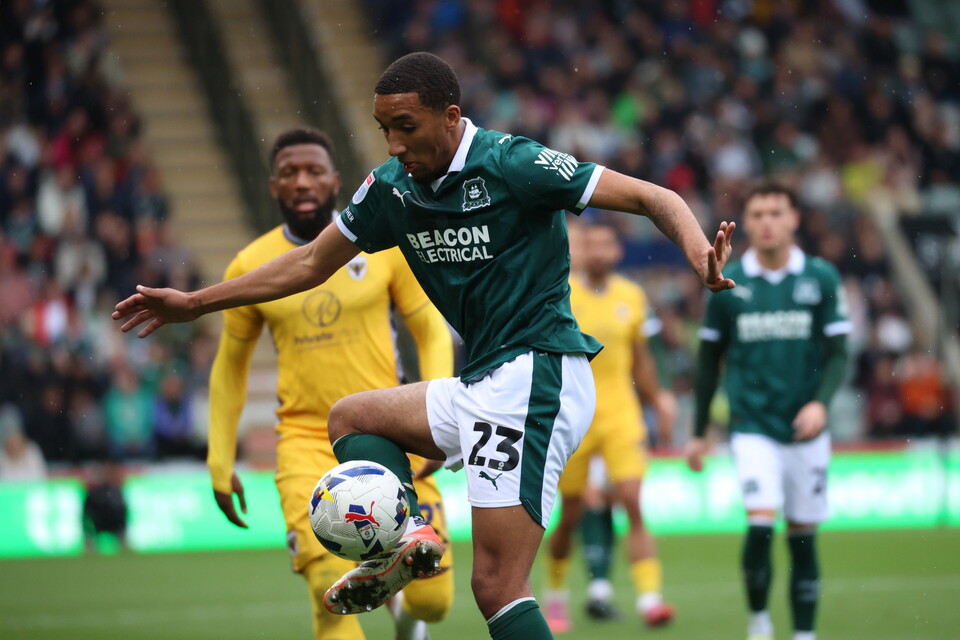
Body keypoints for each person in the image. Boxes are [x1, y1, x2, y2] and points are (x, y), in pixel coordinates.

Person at [114, 52, 735, 640]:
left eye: (405, 127)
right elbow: (307, 264)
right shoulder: (391, 188)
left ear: (451, 118)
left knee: (497, 586)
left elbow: (655, 197)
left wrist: (699, 257)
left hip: (536, 375)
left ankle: (405, 543)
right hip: (484, 382)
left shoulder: (512, 163)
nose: (393, 144)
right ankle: (404, 536)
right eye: (383, 128)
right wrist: (194, 304)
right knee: (352, 418)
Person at [206, 127, 455, 640]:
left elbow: (429, 326)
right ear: (273, 186)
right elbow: (229, 366)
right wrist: (219, 458)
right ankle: (379, 586)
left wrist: (433, 416)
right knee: (329, 586)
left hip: (390, 437)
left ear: (336, 182)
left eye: (314, 171)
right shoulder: (251, 265)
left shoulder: (384, 245)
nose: (302, 182)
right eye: (289, 173)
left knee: (432, 601)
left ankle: (405, 613)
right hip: (305, 443)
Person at [685, 183, 850, 640]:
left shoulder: (821, 278)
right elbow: (707, 361)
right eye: (757, 214)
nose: (766, 222)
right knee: (760, 523)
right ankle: (759, 622)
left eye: (776, 212)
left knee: (803, 535)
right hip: (752, 424)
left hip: (805, 427)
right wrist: (698, 432)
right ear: (746, 223)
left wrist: (821, 402)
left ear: (794, 219)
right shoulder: (728, 282)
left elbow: (839, 353)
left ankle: (803, 633)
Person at [544, 223, 674, 632]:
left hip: (620, 413)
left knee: (632, 502)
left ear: (618, 251)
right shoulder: (561, 294)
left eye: (606, 244)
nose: (598, 252)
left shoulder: (632, 297)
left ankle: (650, 599)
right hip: (572, 416)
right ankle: (557, 595)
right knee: (570, 514)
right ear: (581, 251)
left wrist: (660, 400)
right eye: (591, 244)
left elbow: (642, 360)